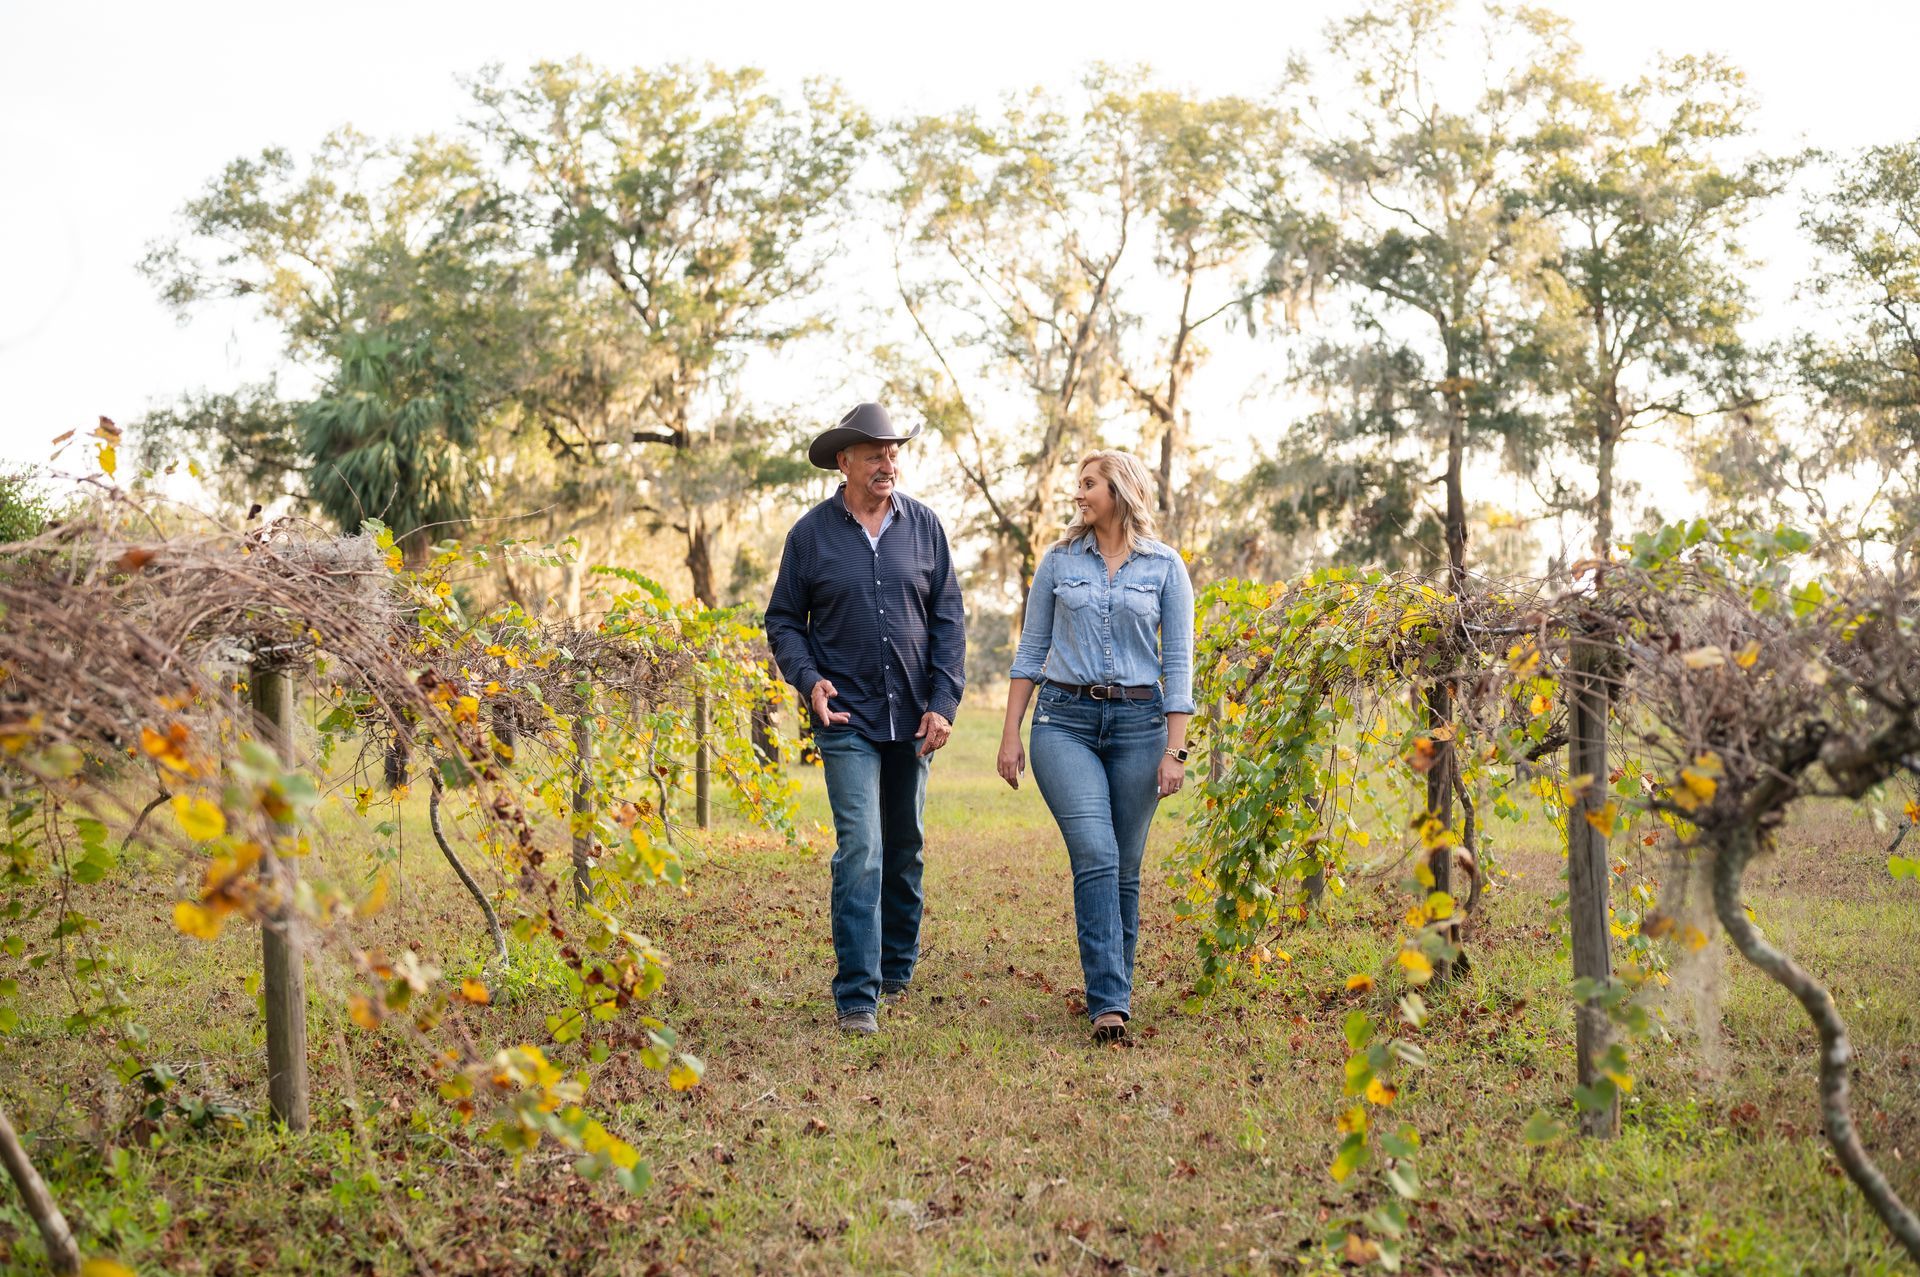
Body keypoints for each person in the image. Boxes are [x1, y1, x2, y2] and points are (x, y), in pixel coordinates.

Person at [765, 402, 967, 1036]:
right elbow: (782, 621)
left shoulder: (926, 528)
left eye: (894, 451)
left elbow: (949, 622)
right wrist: (807, 679)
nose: (888, 462)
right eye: (875, 453)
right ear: (844, 461)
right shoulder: (810, 536)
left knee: (904, 847)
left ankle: (896, 968)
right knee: (862, 847)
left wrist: (944, 702)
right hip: (846, 716)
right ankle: (857, 994)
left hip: (912, 717)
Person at [996, 451, 1194, 1044]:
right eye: (1078, 483)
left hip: (1140, 724)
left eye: (1088, 483)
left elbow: (1178, 665)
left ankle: (1117, 988)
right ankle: (1108, 1002)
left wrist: (1175, 750)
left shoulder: (1165, 568)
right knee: (1096, 852)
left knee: (1125, 867)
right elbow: (1031, 652)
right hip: (1064, 721)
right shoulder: (1058, 562)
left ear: (1119, 489)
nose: (1078, 493)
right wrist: (1011, 734)